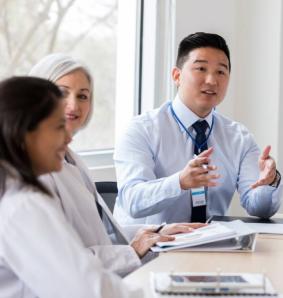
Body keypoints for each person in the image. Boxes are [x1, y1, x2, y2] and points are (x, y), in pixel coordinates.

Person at [29, 53, 205, 276]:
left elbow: (103, 234)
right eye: (62, 93)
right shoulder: (34, 171)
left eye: (83, 96)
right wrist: (133, 250)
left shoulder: (72, 159)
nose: (74, 105)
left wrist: (156, 232)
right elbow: (59, 262)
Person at [113, 32, 283, 225]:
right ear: (176, 76)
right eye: (201, 68)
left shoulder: (239, 137)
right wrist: (180, 182)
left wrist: (268, 182)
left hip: (210, 246)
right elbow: (132, 201)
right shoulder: (140, 130)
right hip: (147, 249)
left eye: (221, 72)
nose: (211, 80)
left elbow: (259, 209)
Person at [0, 76, 137, 297]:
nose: (68, 138)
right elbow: (88, 290)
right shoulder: (23, 205)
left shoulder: (19, 195)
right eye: (58, 127)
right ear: (24, 133)